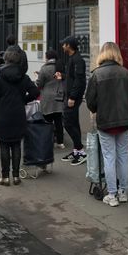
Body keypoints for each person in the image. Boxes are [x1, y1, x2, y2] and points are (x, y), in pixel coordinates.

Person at [86, 42, 128, 207]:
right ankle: (123, 191)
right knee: (122, 156)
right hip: (124, 120)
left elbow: (90, 101)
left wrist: (96, 109)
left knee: (109, 157)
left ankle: (112, 194)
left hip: (106, 121)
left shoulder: (96, 74)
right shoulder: (125, 73)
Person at [0, 48, 40, 185]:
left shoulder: (0, 78)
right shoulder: (24, 77)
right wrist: (24, 100)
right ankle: (16, 176)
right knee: (16, 144)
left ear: (6, 61)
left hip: (3, 115)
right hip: (18, 114)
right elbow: (35, 91)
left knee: (4, 146)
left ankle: (5, 177)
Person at [59, 35, 87, 165]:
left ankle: (80, 150)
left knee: (68, 123)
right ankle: (77, 150)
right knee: (73, 122)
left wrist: (73, 97)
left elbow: (79, 80)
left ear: (69, 45)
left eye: (64, 44)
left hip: (72, 97)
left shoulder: (78, 60)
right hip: (69, 95)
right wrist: (62, 76)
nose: (62, 46)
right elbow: (71, 77)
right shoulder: (72, 58)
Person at [37, 49, 65, 149]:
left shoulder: (44, 68)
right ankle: (60, 142)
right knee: (58, 120)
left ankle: (49, 140)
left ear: (47, 57)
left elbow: (40, 83)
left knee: (47, 120)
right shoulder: (60, 66)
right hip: (58, 95)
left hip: (47, 97)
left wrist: (38, 77)